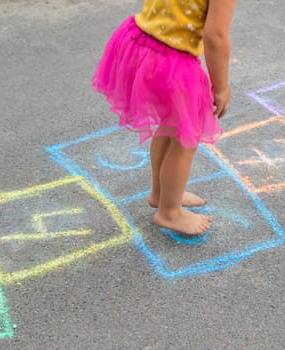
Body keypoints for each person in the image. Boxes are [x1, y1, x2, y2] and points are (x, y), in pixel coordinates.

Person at [92, 0, 236, 235]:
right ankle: (170, 212)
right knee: (184, 141)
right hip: (171, 62)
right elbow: (216, 35)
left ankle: (161, 194)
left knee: (171, 125)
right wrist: (220, 86)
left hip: (139, 42)